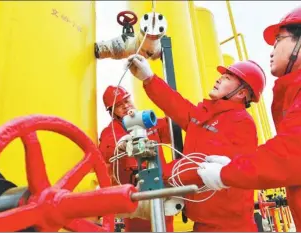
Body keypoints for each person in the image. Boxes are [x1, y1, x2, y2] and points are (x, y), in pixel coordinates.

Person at [195, 2, 301, 231]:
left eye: (278, 40)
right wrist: (234, 164)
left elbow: (291, 156)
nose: (272, 50)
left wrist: (225, 173)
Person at [127, 55, 266, 231]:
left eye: (227, 78)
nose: (219, 79)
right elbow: (176, 105)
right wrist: (149, 78)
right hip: (203, 224)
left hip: (230, 227)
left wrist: (156, 176)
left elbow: (201, 166)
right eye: (222, 75)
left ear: (241, 93)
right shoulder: (207, 115)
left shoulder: (240, 123)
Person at [98, 85, 174, 232]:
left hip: (160, 186)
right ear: (111, 111)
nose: (126, 106)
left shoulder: (149, 121)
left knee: (166, 226)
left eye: (127, 100)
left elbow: (173, 129)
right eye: (119, 105)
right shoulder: (111, 132)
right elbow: (107, 151)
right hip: (134, 194)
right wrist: (123, 144)